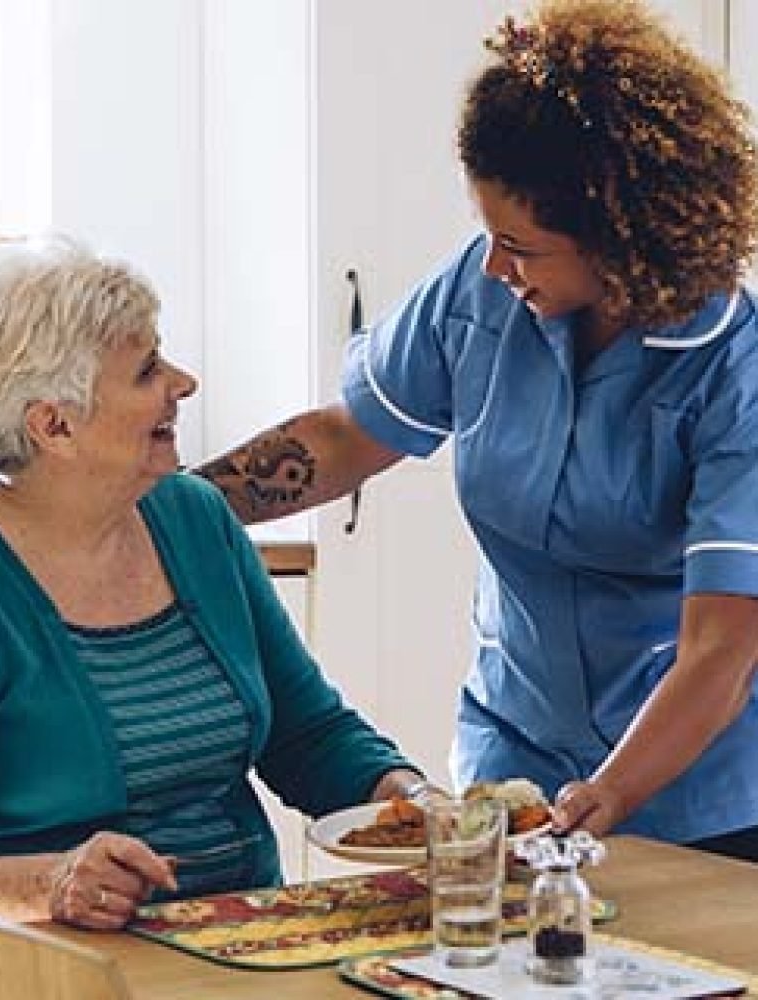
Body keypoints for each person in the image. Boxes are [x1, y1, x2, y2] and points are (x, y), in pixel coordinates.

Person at [196, 0, 758, 860]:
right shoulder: (482, 290)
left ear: (619, 237)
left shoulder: (734, 372)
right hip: (514, 762)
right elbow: (348, 438)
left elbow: (722, 645)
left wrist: (609, 793)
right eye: (488, 235)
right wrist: (165, 507)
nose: (496, 265)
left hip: (698, 800)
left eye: (522, 246)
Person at [0, 240, 428, 936]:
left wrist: (409, 797)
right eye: (147, 370)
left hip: (234, 947)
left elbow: (307, 736)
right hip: (48, 968)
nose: (183, 383)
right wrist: (55, 881)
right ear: (53, 424)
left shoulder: (194, 517)